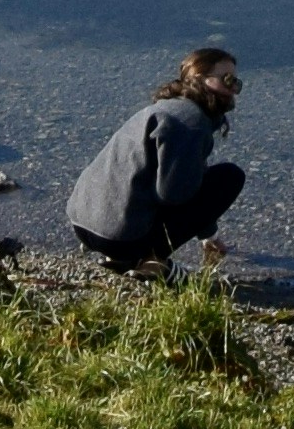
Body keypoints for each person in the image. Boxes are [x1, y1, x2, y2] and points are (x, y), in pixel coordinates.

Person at [65, 47, 247, 275]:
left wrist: (207, 234)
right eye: (227, 80)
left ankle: (122, 255)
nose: (233, 90)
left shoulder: (164, 110)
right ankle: (149, 261)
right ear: (199, 80)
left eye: (236, 83)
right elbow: (173, 194)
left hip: (84, 224)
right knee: (229, 177)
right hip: (118, 239)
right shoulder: (192, 124)